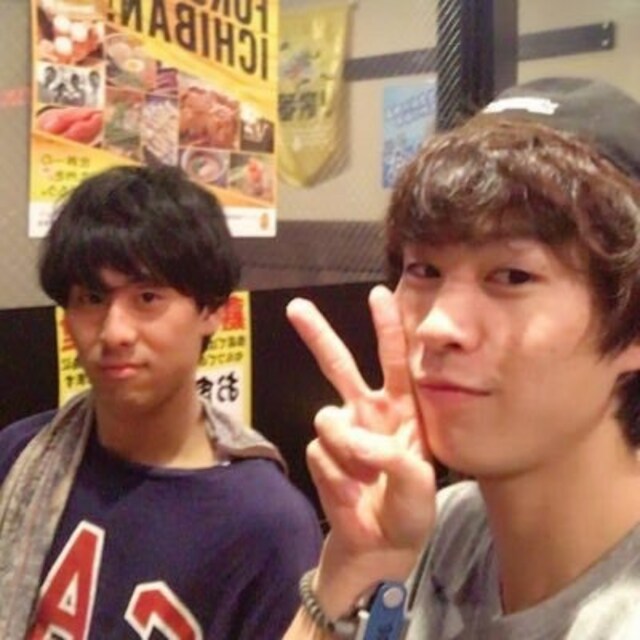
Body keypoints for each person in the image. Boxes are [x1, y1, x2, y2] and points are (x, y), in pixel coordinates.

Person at [283, 76, 640, 639]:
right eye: (424, 270)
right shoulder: (445, 526)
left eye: (512, 276)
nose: (437, 326)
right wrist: (350, 570)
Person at [0, 164, 322, 639]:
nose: (115, 332)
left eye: (148, 297)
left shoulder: (266, 523)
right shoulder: (21, 452)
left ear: (213, 311)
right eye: (92, 298)